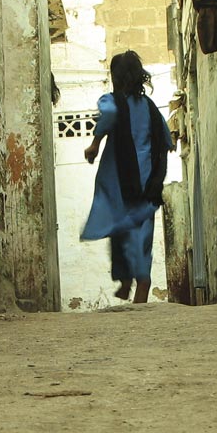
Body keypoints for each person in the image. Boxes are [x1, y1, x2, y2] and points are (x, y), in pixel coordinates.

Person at [81, 51, 173, 303]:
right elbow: (166, 140)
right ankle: (137, 284)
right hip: (147, 184)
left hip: (119, 183)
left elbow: (108, 116)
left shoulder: (111, 101)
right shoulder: (151, 108)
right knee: (141, 234)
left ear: (116, 77)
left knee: (119, 230)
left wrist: (95, 144)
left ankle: (130, 280)